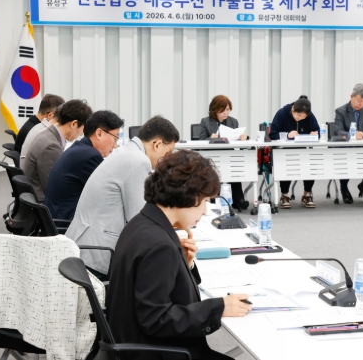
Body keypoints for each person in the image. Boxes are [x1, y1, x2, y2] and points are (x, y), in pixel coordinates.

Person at [107, 149, 251, 360]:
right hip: (156, 353)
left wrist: (184, 265)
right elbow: (156, 319)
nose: (204, 211)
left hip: (134, 345)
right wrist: (219, 307)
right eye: (205, 201)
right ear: (189, 196)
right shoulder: (159, 245)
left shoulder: (142, 223)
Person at [66, 116, 179, 281]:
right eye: (168, 152)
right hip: (97, 254)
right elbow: (140, 219)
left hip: (84, 244)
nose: (166, 158)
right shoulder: (138, 160)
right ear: (157, 144)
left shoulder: (127, 151)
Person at [45, 110, 124, 221]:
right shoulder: (90, 157)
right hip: (66, 223)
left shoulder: (80, 149)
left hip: (56, 217)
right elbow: (108, 195)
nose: (115, 145)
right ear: (99, 133)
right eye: (115, 138)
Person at [23, 99, 92, 200]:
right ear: (74, 124)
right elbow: (53, 188)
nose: (81, 134)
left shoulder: (47, 134)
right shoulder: (51, 146)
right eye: (82, 129)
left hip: (35, 195)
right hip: (41, 202)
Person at [198, 95, 250, 210]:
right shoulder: (205, 121)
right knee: (215, 173)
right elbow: (200, 140)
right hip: (212, 156)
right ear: (215, 109)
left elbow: (236, 138)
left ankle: (239, 200)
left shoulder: (233, 121)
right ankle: (214, 199)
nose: (226, 113)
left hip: (229, 155)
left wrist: (243, 138)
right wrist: (210, 138)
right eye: (222, 110)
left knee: (233, 169)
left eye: (228, 109)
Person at [269, 95, 320, 209]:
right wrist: (287, 135)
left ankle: (307, 194)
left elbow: (317, 131)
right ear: (293, 109)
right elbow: (272, 134)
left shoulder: (310, 116)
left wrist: (315, 134)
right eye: (299, 115)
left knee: (311, 163)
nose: (301, 118)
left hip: (303, 150)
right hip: (284, 151)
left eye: (303, 116)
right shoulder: (282, 113)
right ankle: (284, 195)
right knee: (287, 163)